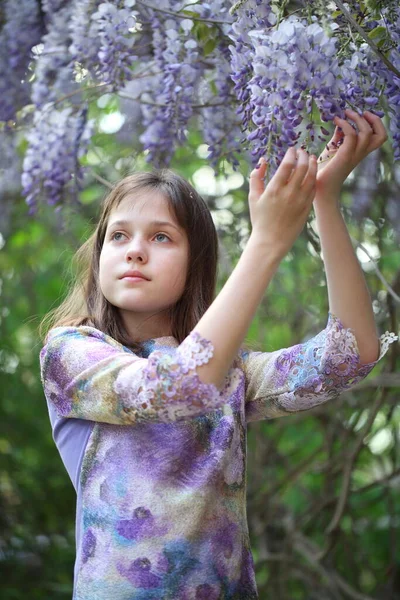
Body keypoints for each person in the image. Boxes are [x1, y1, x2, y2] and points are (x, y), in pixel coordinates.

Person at [39, 108, 397, 600]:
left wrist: (324, 202)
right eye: (118, 235)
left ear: (195, 263)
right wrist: (267, 241)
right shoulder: (72, 352)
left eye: (161, 237)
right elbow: (172, 388)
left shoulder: (230, 373)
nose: (135, 250)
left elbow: (349, 355)